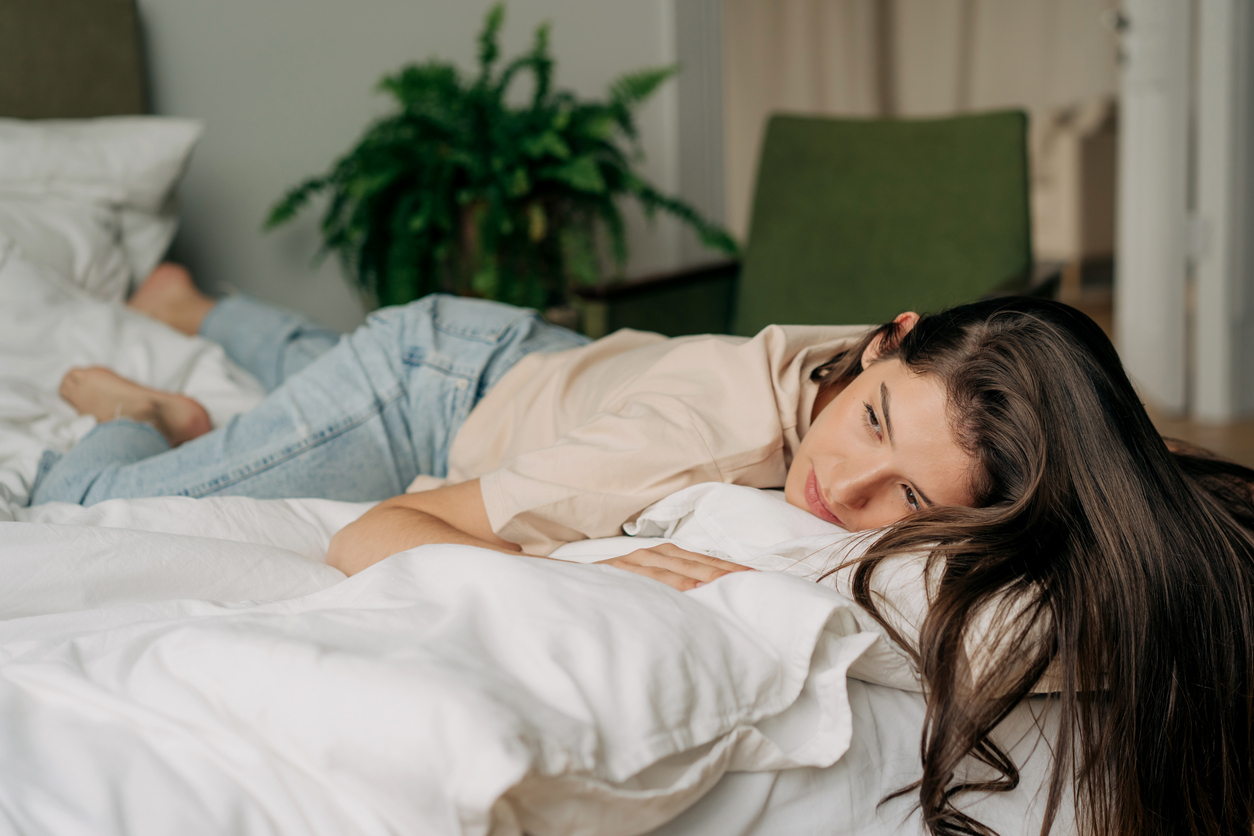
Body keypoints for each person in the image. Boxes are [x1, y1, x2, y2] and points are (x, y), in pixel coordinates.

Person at [31, 264, 1254, 836]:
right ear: (888, 336)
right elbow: (382, 530)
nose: (843, 486)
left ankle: (203, 312)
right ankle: (142, 408)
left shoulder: (956, 381)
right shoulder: (701, 430)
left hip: (555, 361)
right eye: (872, 422)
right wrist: (565, 570)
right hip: (437, 384)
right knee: (75, 495)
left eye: (907, 499)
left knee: (300, 363)